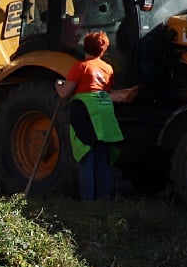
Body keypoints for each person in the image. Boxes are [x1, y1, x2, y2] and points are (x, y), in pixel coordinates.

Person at [54, 29, 136, 201]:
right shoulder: (108, 68)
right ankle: (104, 200)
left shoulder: (81, 67)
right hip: (104, 116)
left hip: (85, 115)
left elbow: (65, 92)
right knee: (101, 161)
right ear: (103, 49)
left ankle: (87, 203)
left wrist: (58, 84)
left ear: (85, 47)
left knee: (85, 160)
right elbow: (106, 90)